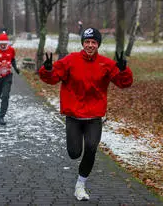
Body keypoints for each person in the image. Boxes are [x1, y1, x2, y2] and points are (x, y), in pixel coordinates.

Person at [39, 27, 133, 201]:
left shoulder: (106, 64)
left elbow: (123, 83)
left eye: (94, 42)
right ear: (83, 43)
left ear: (98, 44)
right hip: (74, 117)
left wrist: (123, 70)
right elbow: (51, 78)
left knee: (91, 148)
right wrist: (48, 69)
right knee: (74, 153)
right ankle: (78, 167)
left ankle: (80, 185)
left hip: (94, 117)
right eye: (87, 42)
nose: (90, 45)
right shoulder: (70, 60)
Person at [0, 33, 20, 125]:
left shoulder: (11, 50)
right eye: (1, 44)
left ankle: (1, 117)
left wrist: (16, 68)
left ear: (7, 43)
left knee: (5, 96)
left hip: (7, 76)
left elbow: (12, 59)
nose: (3, 45)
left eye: (4, 44)